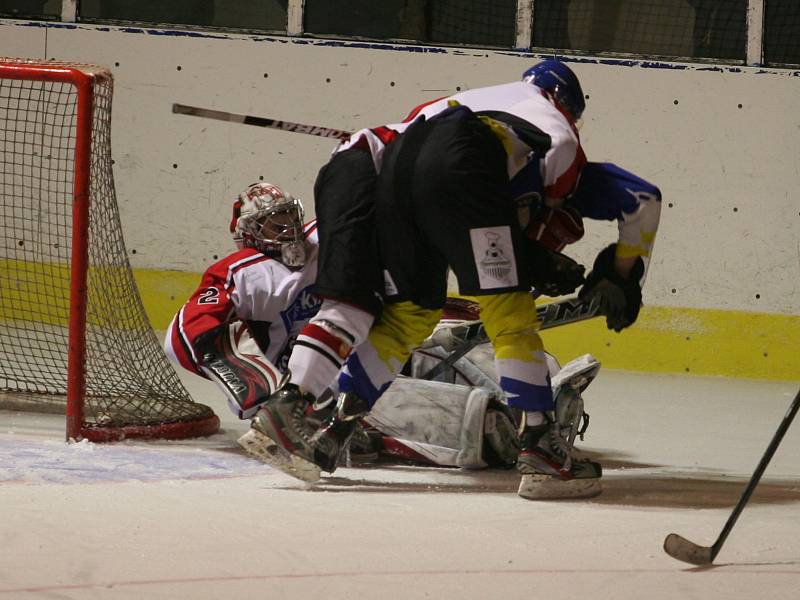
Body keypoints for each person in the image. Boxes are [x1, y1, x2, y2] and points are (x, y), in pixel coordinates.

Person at [244, 60, 655, 500]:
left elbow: (432, 171)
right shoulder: (556, 122)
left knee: (408, 314)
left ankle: (333, 429)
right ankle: (542, 450)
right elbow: (574, 180)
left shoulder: (462, 100)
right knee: (508, 310)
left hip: (397, 174)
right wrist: (614, 273)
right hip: (462, 163)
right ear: (566, 103)